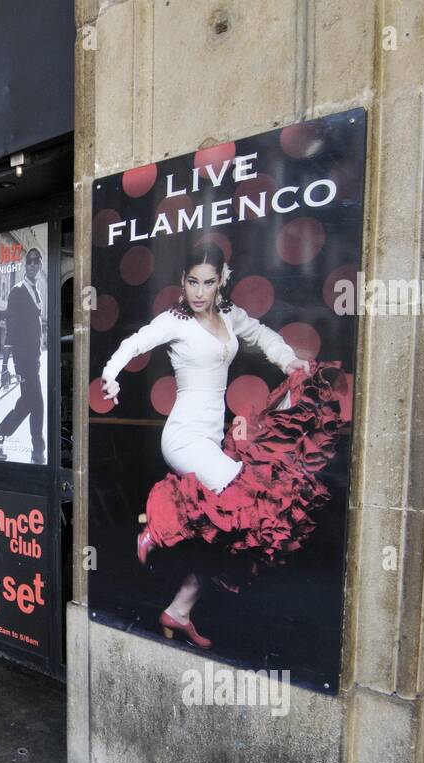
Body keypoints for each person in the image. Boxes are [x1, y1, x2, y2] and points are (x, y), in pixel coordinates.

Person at [101, 242, 348, 649]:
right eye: (193, 282)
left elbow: (264, 335)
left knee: (234, 534)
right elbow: (134, 343)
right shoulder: (174, 320)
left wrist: (287, 361)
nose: (200, 292)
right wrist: (112, 376)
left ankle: (178, 611)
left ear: (221, 281)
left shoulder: (231, 317)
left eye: (208, 283)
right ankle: (158, 528)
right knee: (252, 503)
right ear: (183, 281)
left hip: (212, 440)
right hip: (183, 437)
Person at [0, 247, 47, 464]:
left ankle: (0, 434)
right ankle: (37, 451)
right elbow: (11, 330)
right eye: (30, 261)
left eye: (37, 261)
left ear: (41, 264)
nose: (33, 264)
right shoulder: (17, 291)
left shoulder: (37, 292)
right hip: (23, 359)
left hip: (34, 358)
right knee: (38, 403)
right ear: (25, 265)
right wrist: (4, 366)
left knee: (28, 403)